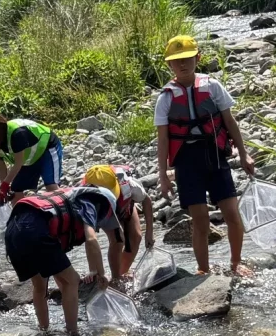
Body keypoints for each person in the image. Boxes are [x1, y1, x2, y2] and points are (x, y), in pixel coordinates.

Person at [156, 35, 257, 279]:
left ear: (197, 58)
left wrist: (244, 155)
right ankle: (203, 269)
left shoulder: (212, 87)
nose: (182, 64)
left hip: (215, 156)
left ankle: (235, 263)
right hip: (187, 162)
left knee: (232, 214)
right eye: (176, 61)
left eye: (187, 58)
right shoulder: (166, 98)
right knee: (200, 220)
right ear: (170, 65)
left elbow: (230, 122)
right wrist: (163, 176)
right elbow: (163, 139)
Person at [2, 182, 121, 336]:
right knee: (72, 280)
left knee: (40, 287)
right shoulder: (90, 203)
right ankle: (73, 334)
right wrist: (99, 272)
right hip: (34, 231)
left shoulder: (69, 198)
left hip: (13, 232)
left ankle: (44, 332)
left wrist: (65, 285)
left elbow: (56, 263)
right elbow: (91, 239)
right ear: (104, 205)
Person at [0, 113, 63, 200]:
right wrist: (4, 187)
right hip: (29, 158)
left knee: (51, 187)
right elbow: (1, 167)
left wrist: (5, 184)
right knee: (16, 191)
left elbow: (18, 163)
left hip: (47, 147)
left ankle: (63, 210)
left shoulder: (17, 134)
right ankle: (18, 214)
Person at [91, 163, 155, 283]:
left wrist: (150, 232)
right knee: (118, 240)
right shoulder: (86, 196)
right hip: (103, 210)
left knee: (136, 237)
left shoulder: (127, 183)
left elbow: (146, 200)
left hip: (123, 206)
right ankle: (116, 279)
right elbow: (89, 238)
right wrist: (93, 270)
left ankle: (122, 272)